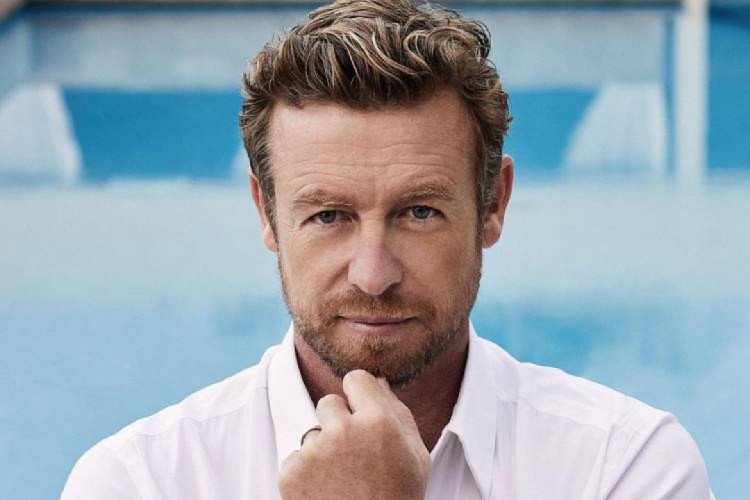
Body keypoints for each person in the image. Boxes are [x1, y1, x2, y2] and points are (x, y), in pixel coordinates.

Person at [62, 0, 714, 498]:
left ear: (493, 204)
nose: (373, 275)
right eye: (329, 216)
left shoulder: (623, 466)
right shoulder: (141, 481)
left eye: (418, 212)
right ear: (267, 214)